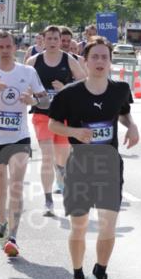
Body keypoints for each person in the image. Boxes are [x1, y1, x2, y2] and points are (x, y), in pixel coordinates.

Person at [47, 36, 139, 279]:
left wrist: (132, 126)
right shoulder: (70, 94)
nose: (100, 61)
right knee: (79, 225)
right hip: (80, 164)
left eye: (104, 57)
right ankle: (77, 277)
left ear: (110, 62)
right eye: (95, 57)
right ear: (85, 61)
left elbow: (123, 112)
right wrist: (75, 132)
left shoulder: (120, 89)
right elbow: (53, 125)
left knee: (108, 224)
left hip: (109, 165)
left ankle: (100, 274)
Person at [0, 30, 49, 256]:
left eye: (8, 46)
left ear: (15, 48)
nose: (5, 50)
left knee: (16, 184)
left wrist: (33, 101)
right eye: (1, 47)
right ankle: (3, 222)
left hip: (19, 138)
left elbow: (46, 101)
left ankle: (12, 236)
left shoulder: (28, 72)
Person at [26, 25, 86, 215]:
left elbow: (84, 82)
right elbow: (24, 84)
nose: (52, 42)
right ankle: (48, 201)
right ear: (43, 40)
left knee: (62, 158)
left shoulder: (69, 59)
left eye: (55, 39)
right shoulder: (34, 61)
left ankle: (61, 172)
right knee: (47, 156)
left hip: (63, 117)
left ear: (61, 41)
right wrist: (31, 95)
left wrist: (65, 88)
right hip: (42, 114)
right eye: (49, 38)